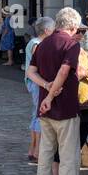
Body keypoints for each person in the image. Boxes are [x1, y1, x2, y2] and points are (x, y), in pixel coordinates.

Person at [28, 7, 84, 175]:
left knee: (46, 152)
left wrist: (45, 86)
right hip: (65, 106)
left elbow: (30, 72)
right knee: (68, 155)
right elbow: (63, 72)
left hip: (45, 108)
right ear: (73, 26)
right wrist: (51, 95)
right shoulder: (71, 45)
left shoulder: (43, 44)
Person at [24, 17, 54, 163]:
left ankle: (33, 149)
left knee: (36, 113)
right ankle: (36, 151)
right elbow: (39, 65)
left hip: (34, 82)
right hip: (38, 82)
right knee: (39, 114)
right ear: (47, 30)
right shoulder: (37, 44)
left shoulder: (34, 42)